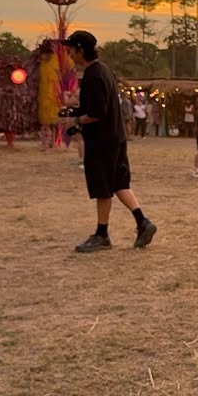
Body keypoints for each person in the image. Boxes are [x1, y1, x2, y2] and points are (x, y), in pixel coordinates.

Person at [61, 31, 157, 252]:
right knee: (118, 183)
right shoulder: (104, 70)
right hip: (116, 137)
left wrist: (76, 120)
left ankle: (102, 234)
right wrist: (77, 113)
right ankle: (143, 222)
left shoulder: (93, 75)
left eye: (71, 50)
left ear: (80, 50)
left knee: (103, 187)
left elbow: (98, 112)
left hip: (102, 141)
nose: (70, 54)